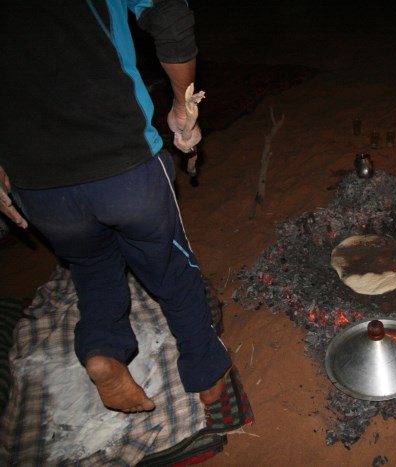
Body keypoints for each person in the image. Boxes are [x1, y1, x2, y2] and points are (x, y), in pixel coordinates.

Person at [0, 1, 232, 413]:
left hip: (38, 183)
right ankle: (207, 374)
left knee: (92, 267)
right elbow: (170, 13)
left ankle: (102, 352)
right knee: (170, 267)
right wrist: (183, 107)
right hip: (124, 164)